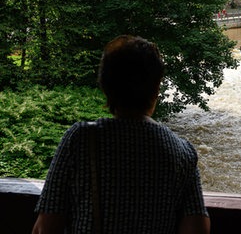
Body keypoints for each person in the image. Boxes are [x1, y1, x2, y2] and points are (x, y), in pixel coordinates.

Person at [33, 35, 210, 234]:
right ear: (156, 88)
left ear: (105, 86)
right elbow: (197, 228)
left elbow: (45, 228)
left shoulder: (80, 140)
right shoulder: (182, 152)